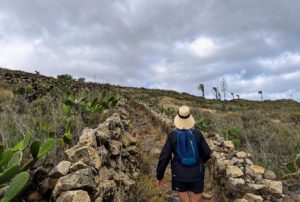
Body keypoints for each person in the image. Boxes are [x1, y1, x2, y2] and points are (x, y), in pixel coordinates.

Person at [156, 105, 211, 202]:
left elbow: (165, 156)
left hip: (179, 174)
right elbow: (207, 152)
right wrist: (201, 162)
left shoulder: (173, 136)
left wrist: (160, 175)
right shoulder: (198, 134)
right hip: (197, 174)